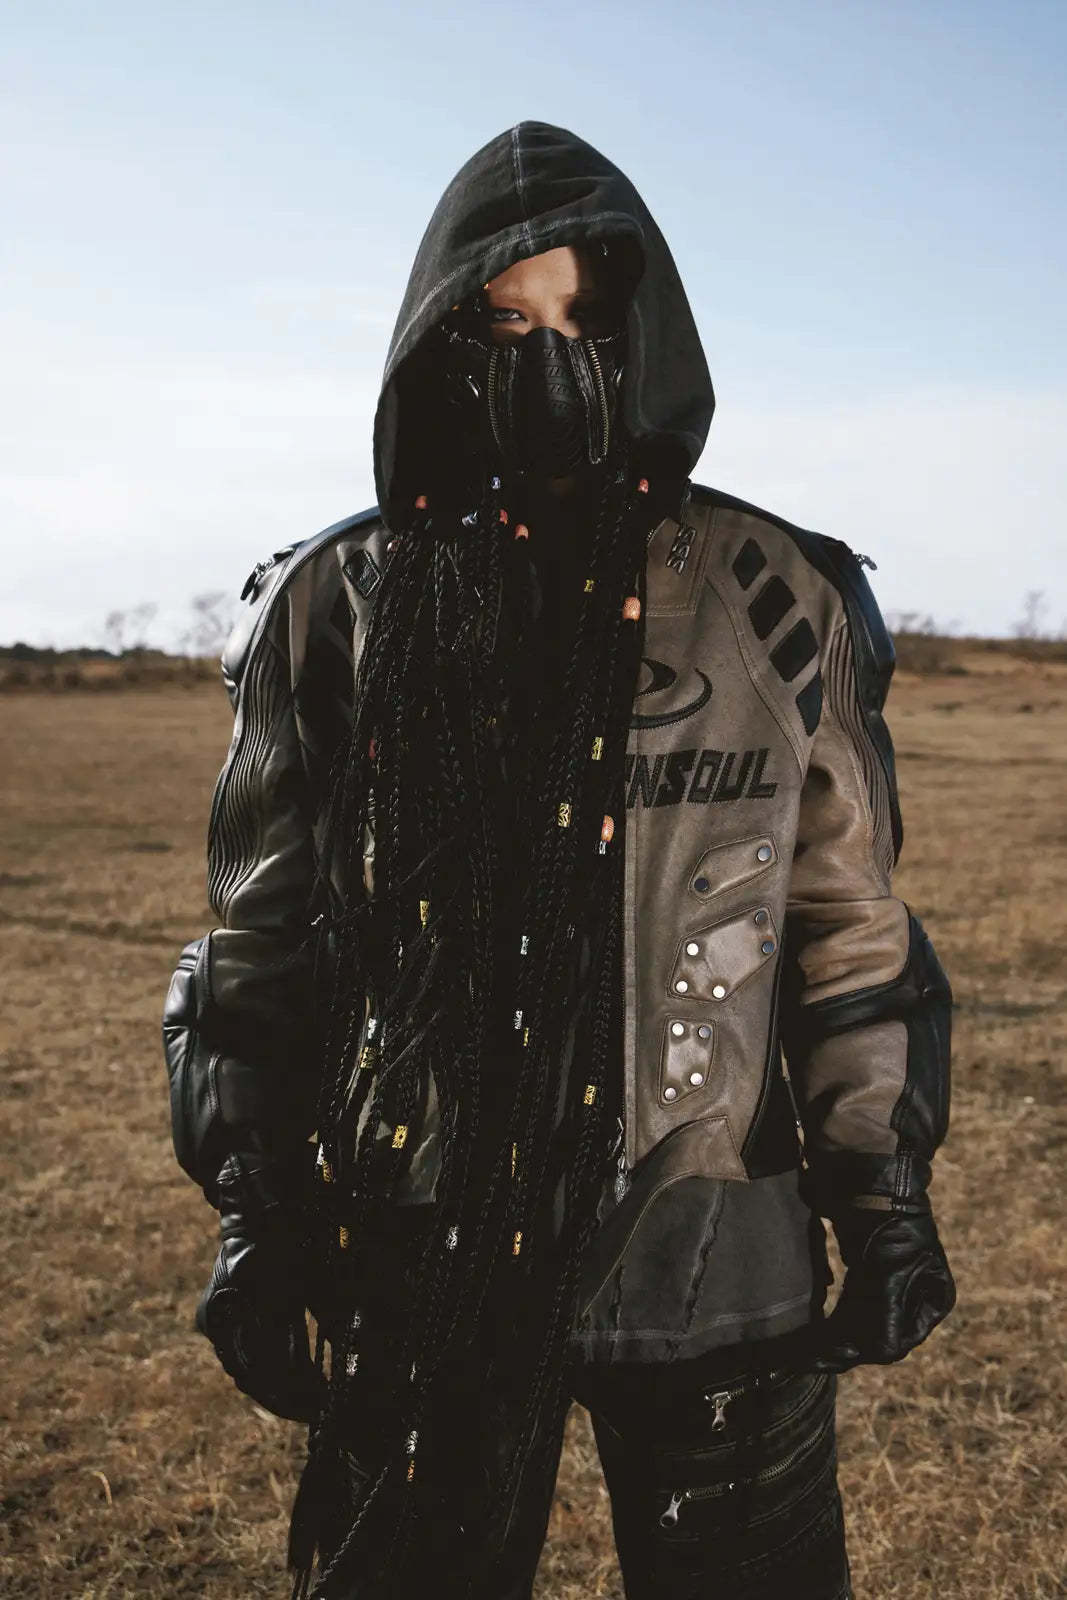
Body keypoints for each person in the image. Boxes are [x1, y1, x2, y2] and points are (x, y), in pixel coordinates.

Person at [162, 121, 956, 1600]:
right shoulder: (340, 606)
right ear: (434, 340)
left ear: (647, 333)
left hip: (718, 1258)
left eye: (585, 319)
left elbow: (849, 935)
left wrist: (883, 1195)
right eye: (505, 322)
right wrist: (259, 1214)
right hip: (418, 1250)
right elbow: (263, 944)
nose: (551, 363)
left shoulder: (780, 598)